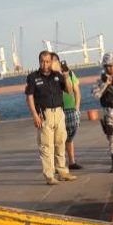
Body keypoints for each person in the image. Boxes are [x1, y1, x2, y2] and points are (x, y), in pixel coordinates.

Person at [26, 51, 76, 185]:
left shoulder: (57, 76)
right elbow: (29, 97)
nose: (45, 64)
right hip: (44, 114)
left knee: (60, 143)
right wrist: (34, 115)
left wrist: (66, 76)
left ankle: (63, 172)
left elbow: (69, 91)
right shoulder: (33, 77)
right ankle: (49, 175)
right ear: (39, 62)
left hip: (59, 112)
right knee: (46, 146)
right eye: (42, 61)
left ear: (51, 62)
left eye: (47, 61)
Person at [57, 56, 83, 170]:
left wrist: (77, 107)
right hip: (58, 109)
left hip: (71, 109)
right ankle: (59, 164)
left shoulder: (70, 74)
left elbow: (76, 91)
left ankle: (72, 162)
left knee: (70, 137)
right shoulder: (53, 76)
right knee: (59, 138)